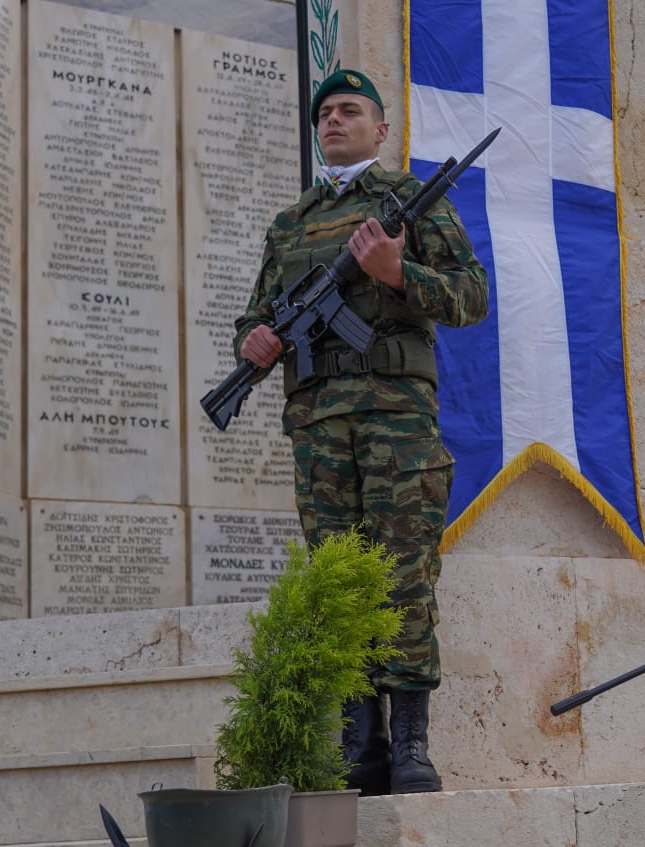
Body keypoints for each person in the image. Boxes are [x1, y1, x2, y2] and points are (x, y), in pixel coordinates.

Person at [234, 69, 489, 795]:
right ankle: (358, 739)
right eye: (325, 114)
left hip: (396, 421)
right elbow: (254, 316)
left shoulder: (409, 202)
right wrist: (251, 342)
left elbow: (470, 296)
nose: (334, 121)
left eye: (350, 111)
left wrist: (396, 270)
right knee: (337, 580)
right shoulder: (292, 223)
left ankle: (409, 743)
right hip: (318, 427)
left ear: (381, 129)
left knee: (403, 575)